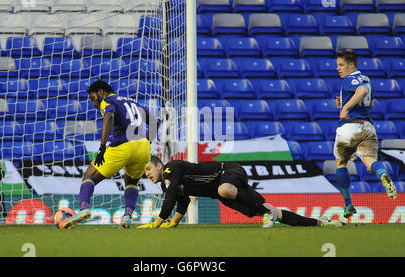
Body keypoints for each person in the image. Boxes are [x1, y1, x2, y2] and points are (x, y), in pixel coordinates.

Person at [137, 156, 342, 229]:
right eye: (144, 172)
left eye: (148, 169)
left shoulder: (172, 167)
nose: (147, 174)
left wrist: (158, 221)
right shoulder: (168, 184)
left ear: (159, 165)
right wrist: (173, 222)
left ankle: (266, 214)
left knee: (224, 189)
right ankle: (319, 223)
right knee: (273, 212)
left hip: (230, 171)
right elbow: (182, 201)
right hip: (225, 192)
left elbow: (172, 195)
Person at [65, 79, 159, 229]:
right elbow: (155, 121)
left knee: (89, 176)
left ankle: (83, 209)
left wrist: (102, 147)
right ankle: (127, 216)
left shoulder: (107, 101)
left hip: (122, 146)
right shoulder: (133, 102)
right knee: (131, 182)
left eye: (93, 99)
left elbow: (109, 116)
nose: (94, 104)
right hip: (143, 148)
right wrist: (148, 142)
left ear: (101, 93)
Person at [334, 49, 397, 218]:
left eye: (341, 65)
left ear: (351, 65)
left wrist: (345, 108)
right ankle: (383, 173)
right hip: (367, 127)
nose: (338, 69)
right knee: (370, 162)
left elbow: (361, 92)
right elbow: (367, 102)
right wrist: (343, 102)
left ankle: (348, 205)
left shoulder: (350, 79)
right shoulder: (366, 79)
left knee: (341, 164)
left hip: (349, 127)